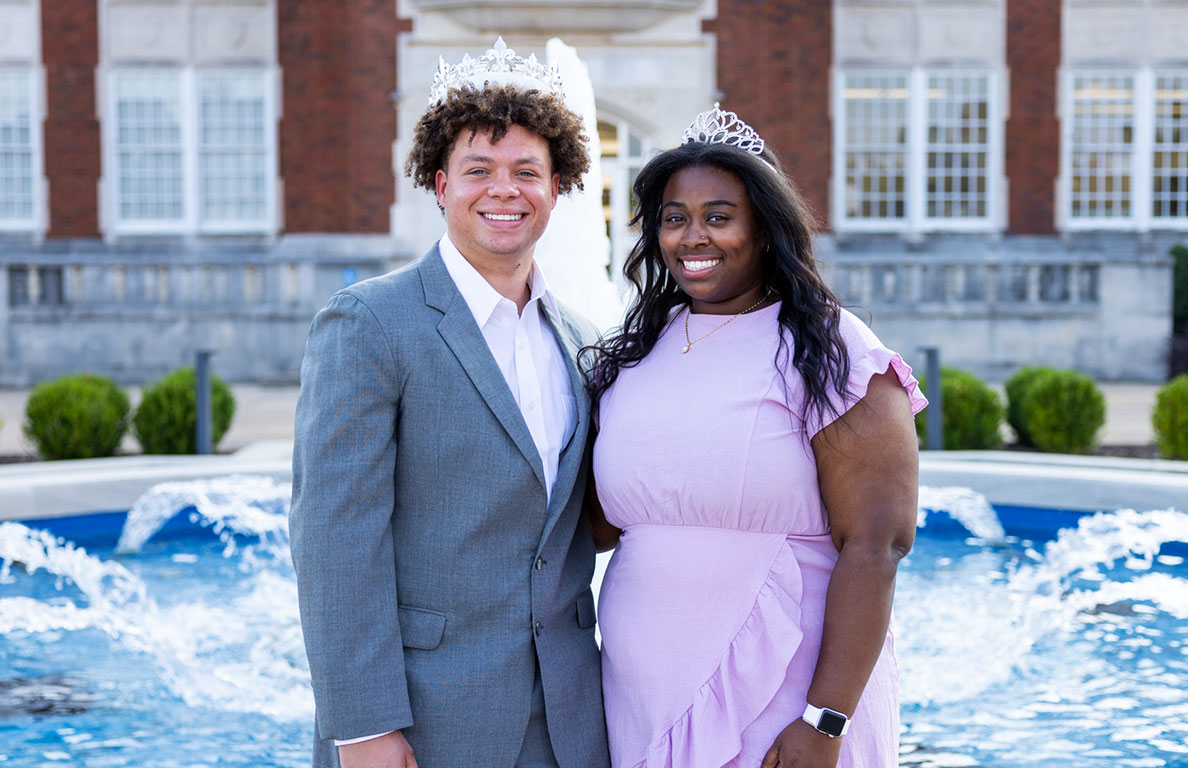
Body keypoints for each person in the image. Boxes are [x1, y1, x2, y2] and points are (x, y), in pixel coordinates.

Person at [289, 39, 610, 768]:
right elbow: (333, 542)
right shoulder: (369, 323)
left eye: (527, 171)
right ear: (439, 184)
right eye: (478, 171)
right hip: (424, 720)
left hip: (570, 719)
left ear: (556, 188)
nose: (505, 189)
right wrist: (364, 727)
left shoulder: (583, 342)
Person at [583, 104, 927, 768]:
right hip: (641, 693)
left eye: (719, 217)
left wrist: (824, 722)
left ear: (766, 230)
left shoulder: (833, 351)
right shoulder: (636, 356)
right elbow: (599, 527)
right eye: (674, 219)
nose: (692, 237)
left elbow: (878, 544)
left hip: (785, 696)